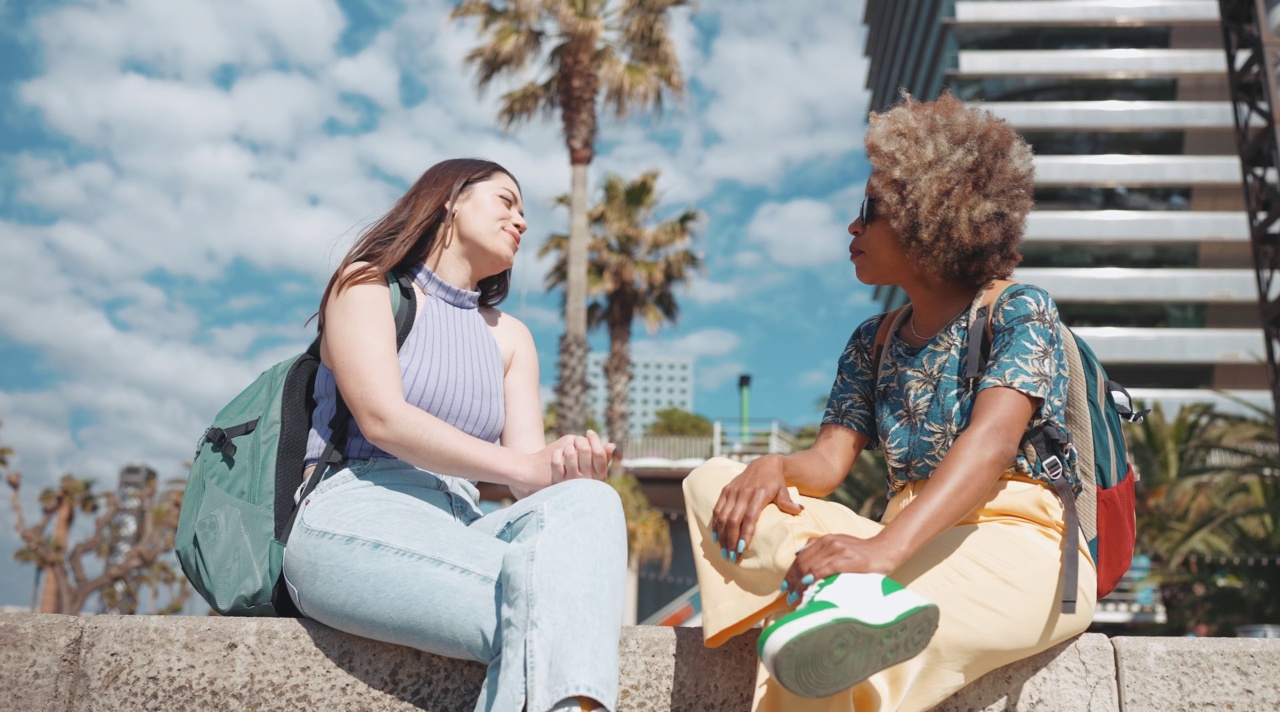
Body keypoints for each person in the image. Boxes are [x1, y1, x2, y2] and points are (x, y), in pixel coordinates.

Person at [682, 93, 1096, 712]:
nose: (853, 227)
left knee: (832, 656)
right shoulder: (871, 341)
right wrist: (776, 469)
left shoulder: (1018, 308)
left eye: (868, 211)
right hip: (901, 536)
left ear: (931, 215)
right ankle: (842, 598)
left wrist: (882, 552)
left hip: (1018, 544)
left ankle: (846, 606)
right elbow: (827, 463)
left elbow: (991, 444)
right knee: (714, 480)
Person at [282, 158, 627, 712]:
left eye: (524, 211)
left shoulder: (511, 338)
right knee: (553, 610)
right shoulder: (367, 284)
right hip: (354, 511)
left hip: (462, 528)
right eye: (506, 201)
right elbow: (383, 419)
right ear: (450, 200)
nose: (521, 221)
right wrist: (524, 468)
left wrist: (564, 469)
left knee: (590, 502)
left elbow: (526, 479)